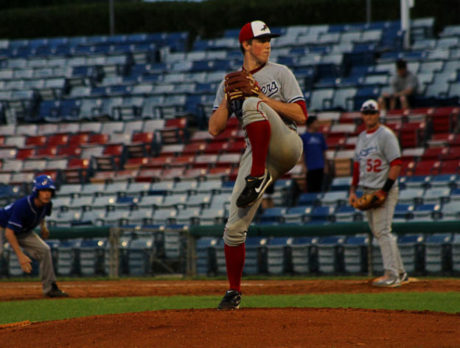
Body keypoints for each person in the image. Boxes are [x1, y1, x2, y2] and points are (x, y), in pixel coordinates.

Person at [209, 20, 307, 309]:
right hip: (257, 151)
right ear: (245, 45)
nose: (268, 45)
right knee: (233, 227)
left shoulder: (281, 72)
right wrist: (227, 100)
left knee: (252, 104)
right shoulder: (229, 82)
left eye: (269, 40)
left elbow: (301, 115)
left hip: (286, 143)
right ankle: (233, 291)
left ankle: (257, 177)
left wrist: (262, 98)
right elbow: (214, 129)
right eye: (261, 40)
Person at [348, 99, 408, 287]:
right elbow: (357, 165)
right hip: (367, 189)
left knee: (382, 231)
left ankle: (392, 275)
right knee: (379, 232)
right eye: (366, 113)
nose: (369, 116)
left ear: (378, 114)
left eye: (372, 112)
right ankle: (400, 271)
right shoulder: (361, 137)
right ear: (362, 115)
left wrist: (384, 191)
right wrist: (352, 190)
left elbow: (396, 164)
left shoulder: (386, 135)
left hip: (384, 189)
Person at [0, 175, 68, 297]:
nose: (46, 194)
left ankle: (50, 288)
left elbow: (42, 215)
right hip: (3, 227)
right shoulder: (24, 206)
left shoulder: (47, 204)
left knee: (45, 250)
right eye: (43, 191)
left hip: (22, 230)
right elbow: (9, 233)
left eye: (49, 191)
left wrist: (43, 227)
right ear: (36, 192)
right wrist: (21, 256)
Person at [300, 115, 328, 193]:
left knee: (320, 189)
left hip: (320, 166)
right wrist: (304, 166)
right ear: (311, 124)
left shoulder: (320, 136)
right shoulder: (304, 137)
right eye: (316, 123)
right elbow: (303, 153)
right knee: (311, 189)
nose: (318, 125)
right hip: (310, 167)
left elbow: (324, 151)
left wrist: (325, 165)